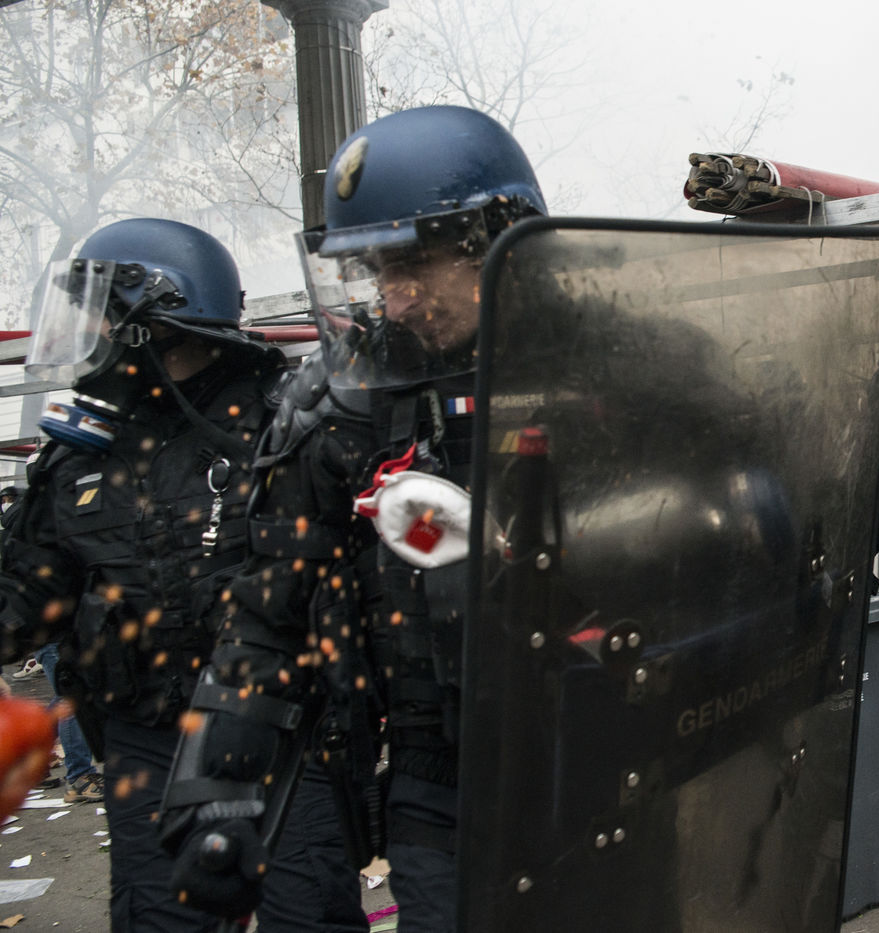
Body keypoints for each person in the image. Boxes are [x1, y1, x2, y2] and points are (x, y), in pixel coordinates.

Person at [156, 106, 549, 932]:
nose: (394, 300)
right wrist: (219, 789)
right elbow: (270, 612)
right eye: (377, 269)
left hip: (606, 752)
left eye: (416, 263)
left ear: (502, 240)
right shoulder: (343, 406)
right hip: (438, 777)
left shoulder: (617, 365)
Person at [0, 218, 366, 933]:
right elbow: (22, 601)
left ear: (157, 317)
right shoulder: (80, 455)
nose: (86, 330)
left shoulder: (287, 424)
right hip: (146, 739)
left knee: (308, 915)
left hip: (287, 732)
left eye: (99, 310)